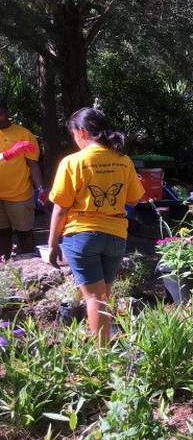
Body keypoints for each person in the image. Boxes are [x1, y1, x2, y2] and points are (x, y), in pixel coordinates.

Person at [47, 108, 145, 342]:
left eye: (73, 135)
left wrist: (52, 244)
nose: (75, 140)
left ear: (81, 132)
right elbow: (134, 198)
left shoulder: (72, 162)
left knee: (94, 297)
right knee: (103, 295)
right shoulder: (123, 160)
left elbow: (60, 208)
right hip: (116, 236)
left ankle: (100, 357)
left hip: (82, 236)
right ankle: (99, 341)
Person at [0, 95, 46, 260]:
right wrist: (8, 154)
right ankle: (4, 270)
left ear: (7, 111)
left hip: (19, 194)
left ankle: (30, 265)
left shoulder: (24, 134)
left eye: (0, 113)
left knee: (24, 233)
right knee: (2, 233)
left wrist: (40, 188)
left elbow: (33, 164)